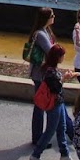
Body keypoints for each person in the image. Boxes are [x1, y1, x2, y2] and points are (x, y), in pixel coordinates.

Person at [28, 43, 75, 160]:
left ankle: (65, 156)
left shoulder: (50, 69)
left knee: (61, 129)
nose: (63, 58)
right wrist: (64, 78)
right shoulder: (50, 72)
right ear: (57, 57)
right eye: (62, 56)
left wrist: (64, 77)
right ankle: (35, 155)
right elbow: (55, 88)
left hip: (58, 103)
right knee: (50, 131)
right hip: (54, 104)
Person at [25, 8, 58, 146]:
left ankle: (38, 136)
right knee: (40, 105)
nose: (54, 17)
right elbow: (51, 51)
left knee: (41, 105)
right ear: (46, 18)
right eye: (52, 16)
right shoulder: (40, 34)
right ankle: (37, 137)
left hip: (42, 72)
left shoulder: (46, 31)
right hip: (40, 74)